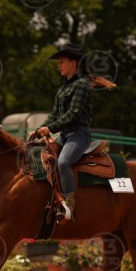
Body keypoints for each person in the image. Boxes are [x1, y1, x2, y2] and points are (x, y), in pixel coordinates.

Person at [36, 44, 93, 222]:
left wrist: (51, 128)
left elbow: (73, 114)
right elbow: (54, 114)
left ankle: (69, 204)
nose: (59, 65)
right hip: (64, 136)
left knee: (63, 162)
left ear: (73, 63)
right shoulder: (63, 88)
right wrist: (40, 129)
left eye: (62, 62)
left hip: (79, 135)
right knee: (40, 156)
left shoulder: (82, 85)